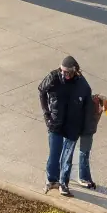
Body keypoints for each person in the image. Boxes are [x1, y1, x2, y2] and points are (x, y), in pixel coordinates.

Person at [37, 55, 91, 197]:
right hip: (55, 123)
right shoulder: (53, 77)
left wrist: (85, 127)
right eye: (63, 71)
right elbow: (42, 91)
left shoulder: (82, 84)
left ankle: (63, 184)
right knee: (54, 154)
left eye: (68, 72)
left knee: (67, 158)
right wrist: (47, 115)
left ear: (75, 71)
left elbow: (87, 104)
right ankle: (51, 180)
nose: (65, 75)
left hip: (73, 126)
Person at [77, 91, 106, 191]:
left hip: (89, 130)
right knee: (83, 153)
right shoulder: (90, 103)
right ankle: (83, 177)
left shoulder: (97, 104)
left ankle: (86, 177)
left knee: (85, 154)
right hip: (85, 130)